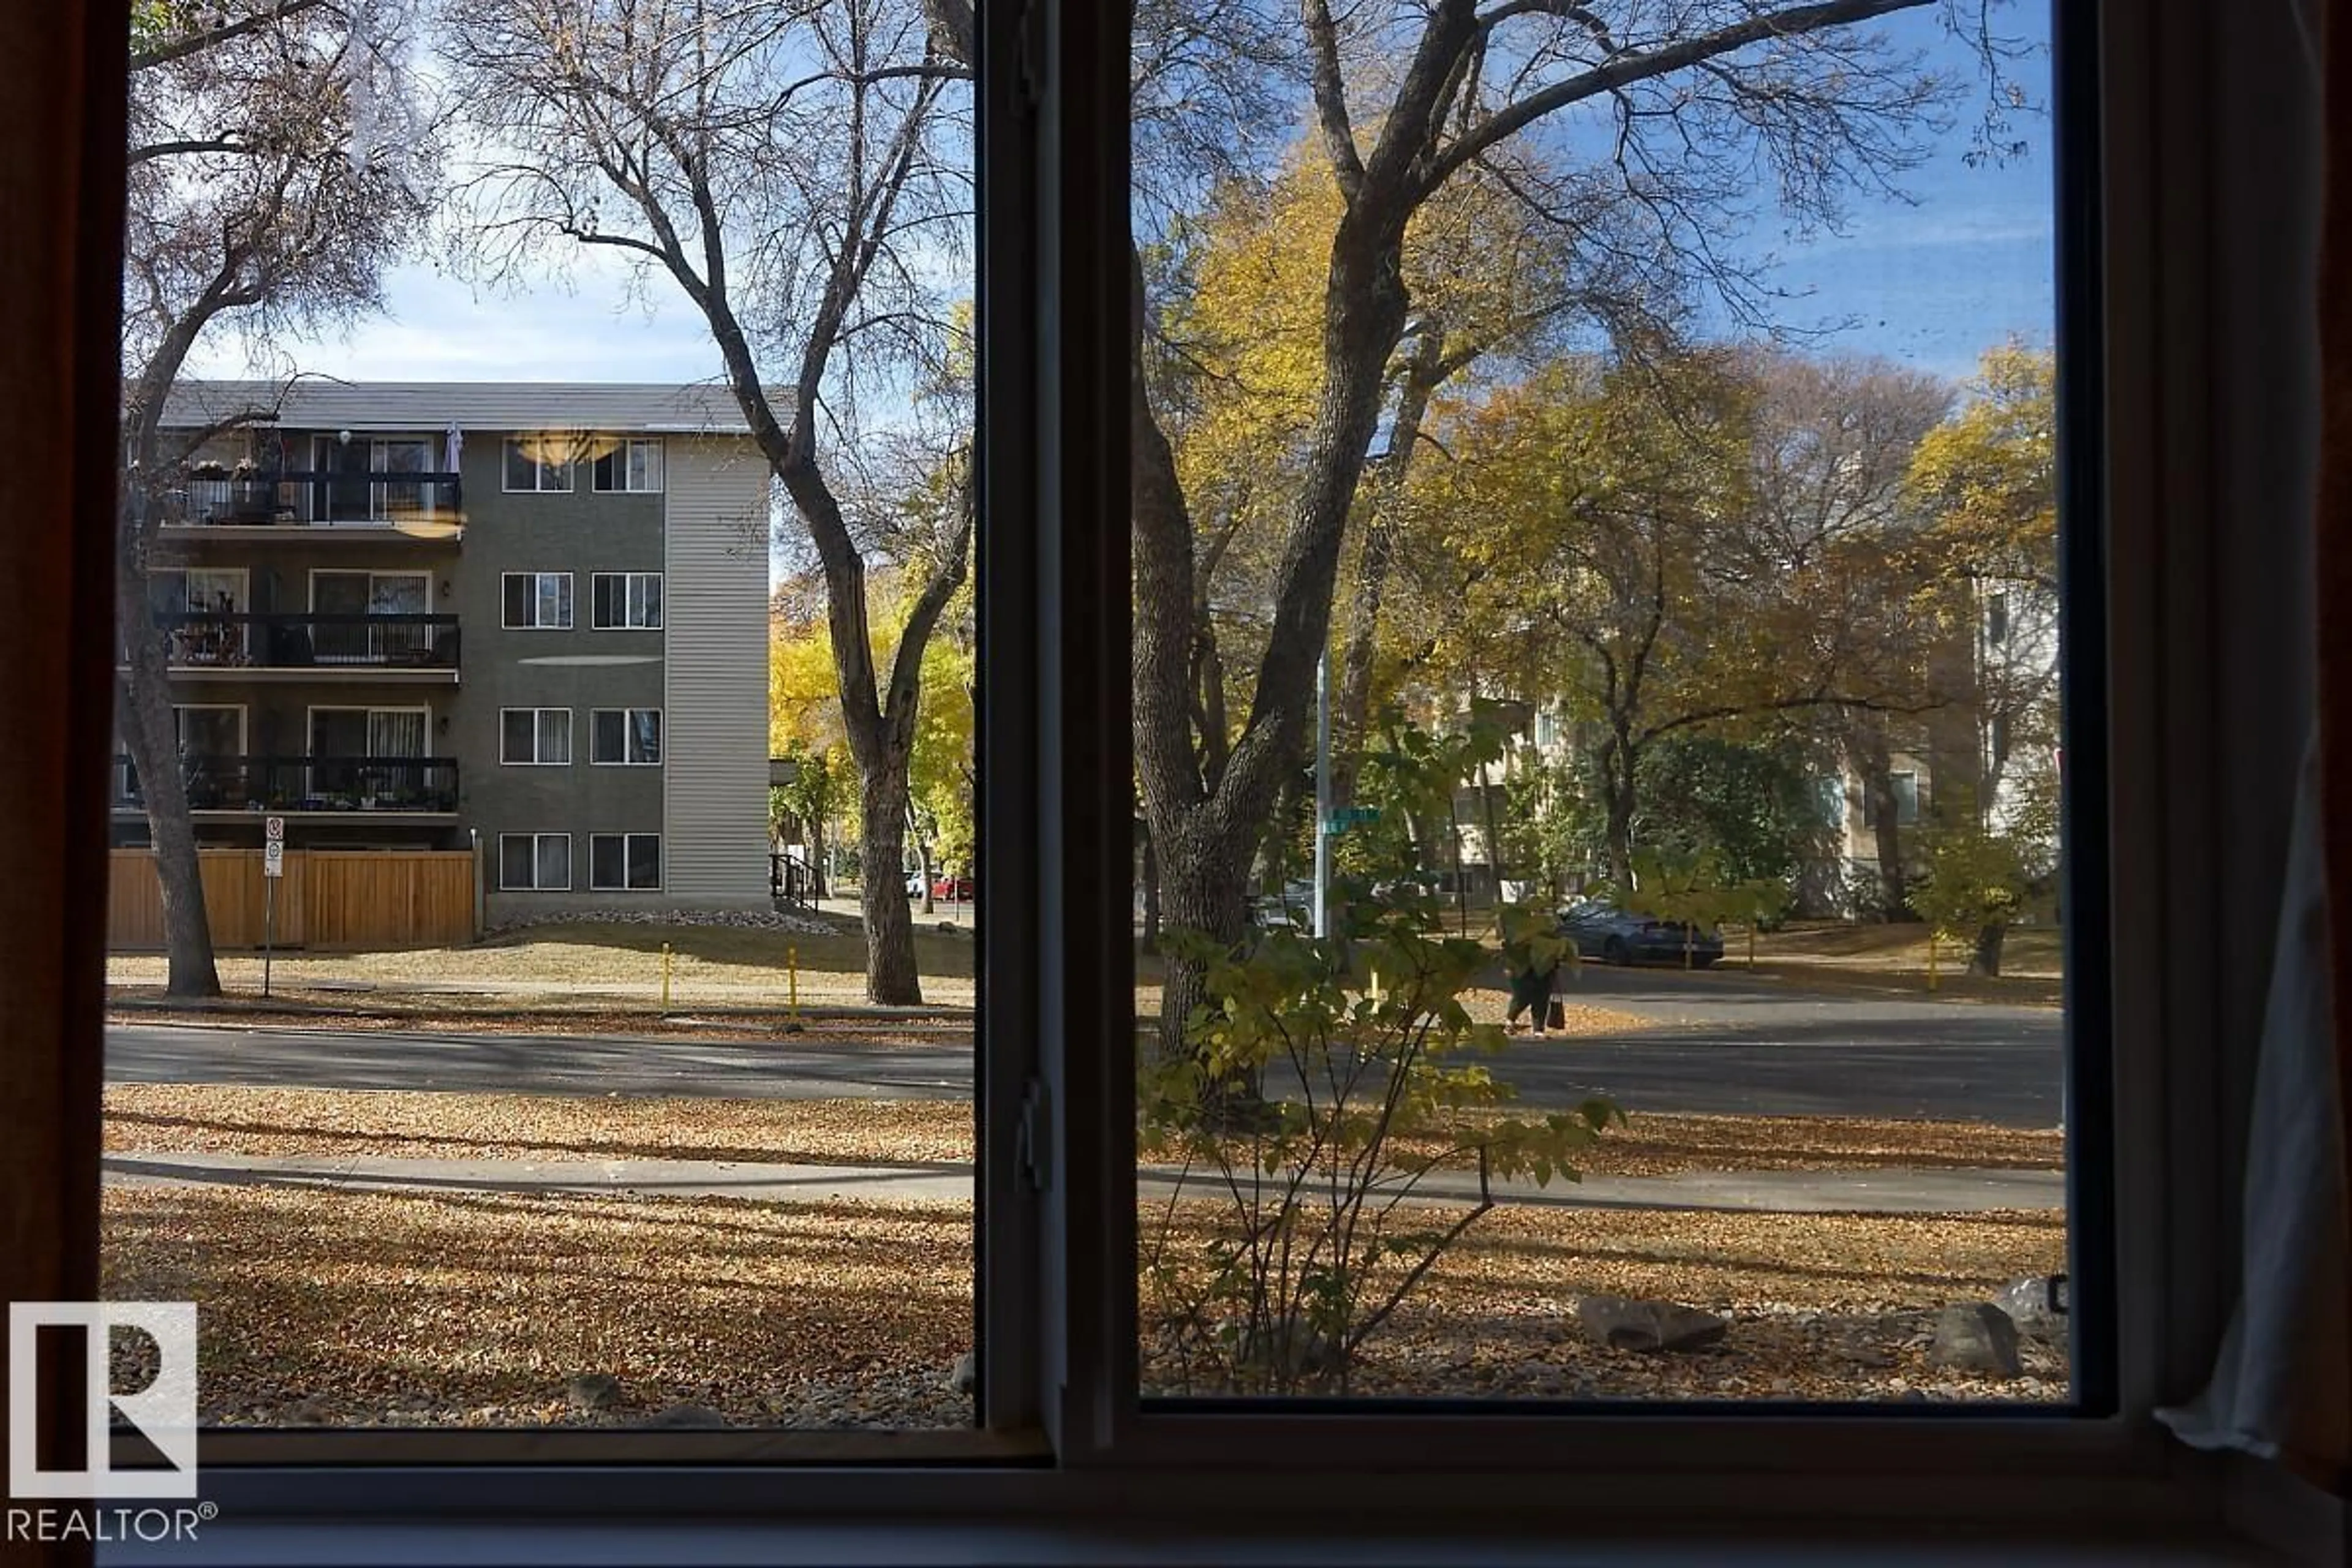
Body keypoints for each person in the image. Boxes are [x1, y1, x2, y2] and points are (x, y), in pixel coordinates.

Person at [1499, 905, 1569, 1038]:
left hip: (1544, 969)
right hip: (1521, 968)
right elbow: (1510, 948)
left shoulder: (1550, 930)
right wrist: (1509, 966)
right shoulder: (1520, 930)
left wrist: (1555, 964)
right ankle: (1510, 1023)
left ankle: (1538, 1030)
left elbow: (1556, 949)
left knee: (1541, 998)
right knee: (1521, 996)